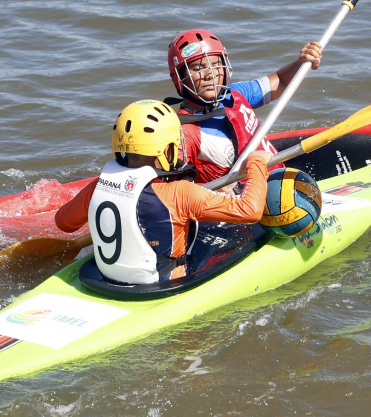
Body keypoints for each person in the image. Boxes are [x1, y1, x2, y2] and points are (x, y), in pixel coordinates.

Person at [55, 99, 271, 284]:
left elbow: (63, 222)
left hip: (105, 278)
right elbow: (250, 211)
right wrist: (257, 162)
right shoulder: (181, 193)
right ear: (165, 149)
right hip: (163, 284)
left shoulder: (99, 185)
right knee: (233, 236)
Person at [166, 29, 323, 185]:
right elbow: (175, 191)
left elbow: (280, 81)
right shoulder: (184, 133)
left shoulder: (234, 93)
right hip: (247, 203)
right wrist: (211, 190)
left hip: (278, 178)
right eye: (198, 68)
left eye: (215, 65)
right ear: (178, 77)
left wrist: (302, 62)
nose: (210, 75)